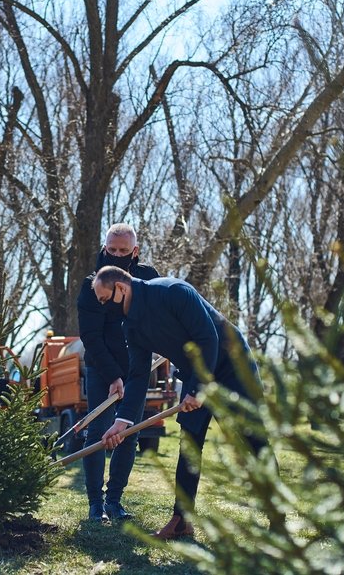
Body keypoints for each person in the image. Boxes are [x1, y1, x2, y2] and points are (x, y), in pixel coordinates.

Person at [93, 266, 268, 540]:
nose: (103, 308)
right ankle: (181, 520)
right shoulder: (132, 326)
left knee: (252, 441)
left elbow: (207, 338)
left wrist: (198, 389)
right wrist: (121, 421)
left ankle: (278, 517)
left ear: (122, 289)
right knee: (189, 444)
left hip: (231, 367)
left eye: (104, 300)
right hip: (195, 374)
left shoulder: (172, 292)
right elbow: (138, 376)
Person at [76, 224, 159, 523]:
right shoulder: (91, 285)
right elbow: (91, 337)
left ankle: (114, 501)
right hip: (101, 367)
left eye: (124, 251)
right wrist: (112, 376)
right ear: (104, 248)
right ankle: (95, 504)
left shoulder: (149, 278)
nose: (118, 255)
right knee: (97, 433)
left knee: (128, 434)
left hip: (137, 368)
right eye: (113, 250)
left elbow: (159, 318)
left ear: (135, 251)